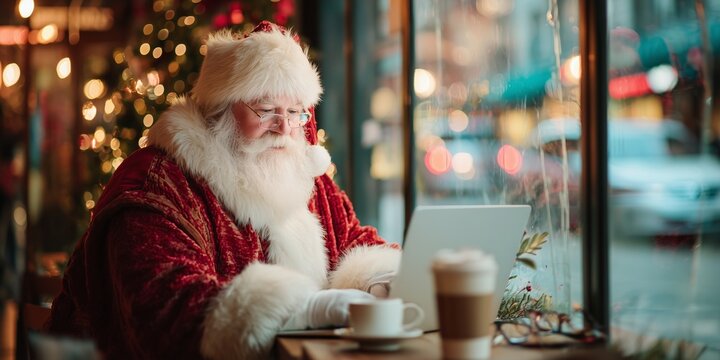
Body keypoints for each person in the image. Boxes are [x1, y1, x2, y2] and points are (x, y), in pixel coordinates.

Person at [48, 21, 401, 359]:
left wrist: (378, 282)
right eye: (265, 110)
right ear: (219, 112)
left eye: (296, 113)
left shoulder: (303, 175)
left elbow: (355, 240)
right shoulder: (157, 184)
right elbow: (163, 310)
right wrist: (309, 307)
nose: (284, 128)